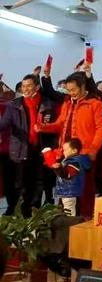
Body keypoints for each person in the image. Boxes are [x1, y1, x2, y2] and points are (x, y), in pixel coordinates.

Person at [38, 72, 102, 217]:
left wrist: (94, 149)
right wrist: (43, 127)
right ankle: (65, 218)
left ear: (82, 87)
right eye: (68, 90)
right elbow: (59, 125)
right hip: (65, 153)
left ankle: (85, 219)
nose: (71, 93)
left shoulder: (94, 103)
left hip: (84, 154)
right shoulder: (67, 103)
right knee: (64, 186)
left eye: (73, 90)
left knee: (85, 188)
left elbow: (101, 128)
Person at [0, 74, 57, 217]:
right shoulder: (14, 104)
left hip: (41, 150)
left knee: (38, 184)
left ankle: (33, 213)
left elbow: (55, 127)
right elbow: (4, 124)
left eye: (29, 86)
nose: (25, 89)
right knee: (20, 184)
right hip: (20, 149)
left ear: (37, 87)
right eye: (23, 86)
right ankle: (19, 212)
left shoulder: (48, 104)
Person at [51, 138, 91, 216]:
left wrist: (58, 169)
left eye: (65, 150)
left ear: (74, 150)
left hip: (70, 193)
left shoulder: (75, 162)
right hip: (66, 192)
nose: (63, 152)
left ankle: (70, 227)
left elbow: (67, 174)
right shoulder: (68, 161)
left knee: (69, 213)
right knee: (65, 211)